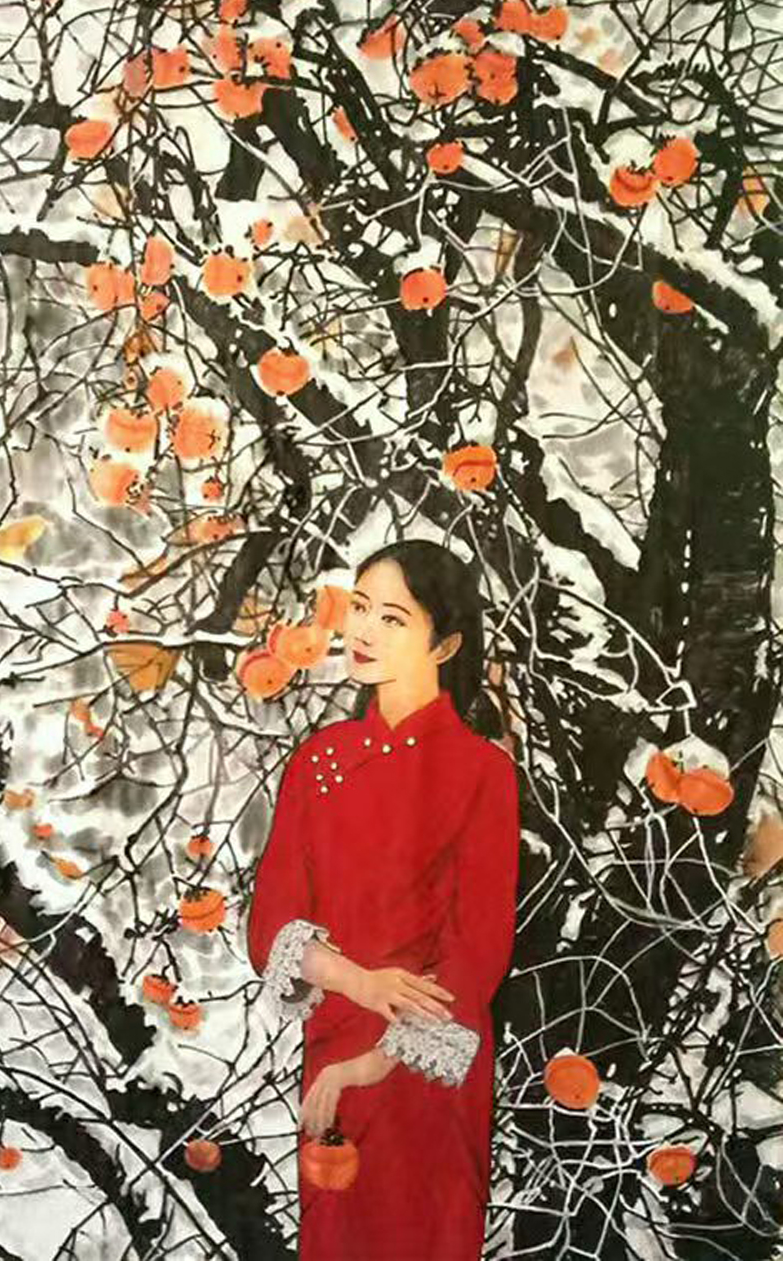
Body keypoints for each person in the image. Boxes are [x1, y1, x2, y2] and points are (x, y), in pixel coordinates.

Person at [246, 539, 521, 1261]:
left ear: (446, 644)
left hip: (431, 1064)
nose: (363, 631)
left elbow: (477, 950)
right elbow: (270, 925)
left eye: (393, 618)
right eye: (360, 608)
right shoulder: (319, 762)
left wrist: (378, 1062)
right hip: (333, 1050)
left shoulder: (483, 771)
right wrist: (359, 983)